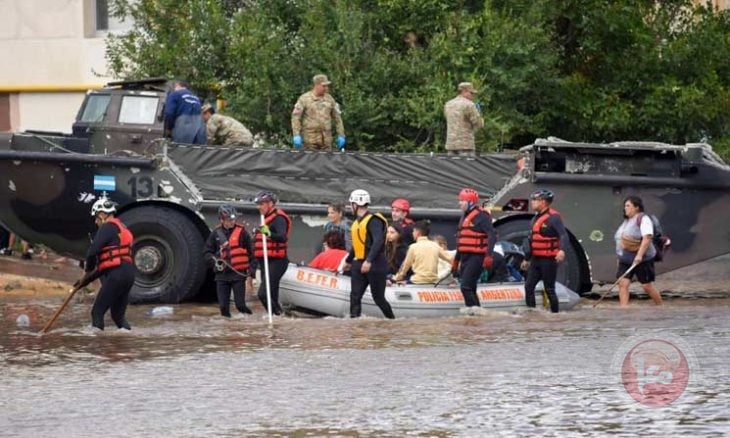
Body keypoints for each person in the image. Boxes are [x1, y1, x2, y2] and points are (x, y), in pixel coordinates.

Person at [84, 193, 135, 330]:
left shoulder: (107, 227)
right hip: (128, 275)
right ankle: (126, 343)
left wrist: (87, 269)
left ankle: (97, 346)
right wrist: (86, 281)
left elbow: (92, 251)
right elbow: (108, 265)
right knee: (118, 316)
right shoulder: (122, 228)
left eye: (96, 218)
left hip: (117, 275)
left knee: (97, 312)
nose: (96, 222)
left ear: (101, 214)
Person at [345, 189, 395, 319]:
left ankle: (392, 320)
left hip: (375, 264)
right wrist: (348, 261)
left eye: (351, 204)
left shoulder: (374, 220)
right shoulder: (356, 223)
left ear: (356, 204)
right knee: (355, 295)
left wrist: (369, 261)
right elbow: (357, 246)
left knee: (378, 298)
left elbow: (378, 242)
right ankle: (354, 322)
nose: (350, 207)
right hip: (359, 263)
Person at [520, 188, 570, 313]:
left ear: (543, 202)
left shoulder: (553, 218)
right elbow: (531, 240)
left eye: (535, 200)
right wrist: (527, 259)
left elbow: (563, 235)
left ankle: (555, 315)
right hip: (536, 259)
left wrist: (562, 250)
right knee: (528, 286)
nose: (532, 202)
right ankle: (532, 313)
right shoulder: (535, 219)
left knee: (549, 289)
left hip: (549, 260)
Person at [204, 205, 255, 317]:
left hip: (237, 275)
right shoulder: (215, 234)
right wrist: (214, 261)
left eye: (233, 219)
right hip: (221, 276)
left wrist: (251, 272)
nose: (232, 222)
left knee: (240, 305)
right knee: (223, 307)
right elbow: (207, 252)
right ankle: (227, 330)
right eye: (229, 220)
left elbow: (252, 253)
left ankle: (252, 321)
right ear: (222, 220)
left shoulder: (242, 233)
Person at [615, 196, 664, 307]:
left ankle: (660, 306)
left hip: (642, 258)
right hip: (626, 259)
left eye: (628, 206)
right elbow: (620, 240)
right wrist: (619, 257)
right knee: (623, 283)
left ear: (636, 207)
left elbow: (647, 238)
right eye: (625, 206)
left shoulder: (643, 219)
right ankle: (624, 309)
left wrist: (639, 255)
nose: (625, 208)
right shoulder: (626, 221)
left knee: (646, 285)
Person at [452, 188, 496, 308]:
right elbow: (461, 241)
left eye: (462, 200)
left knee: (465, 287)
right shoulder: (464, 217)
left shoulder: (482, 216)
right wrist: (456, 260)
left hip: (477, 257)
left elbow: (492, 235)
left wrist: (488, 255)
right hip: (465, 256)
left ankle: (473, 312)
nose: (459, 203)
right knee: (471, 287)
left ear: (470, 202)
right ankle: (476, 314)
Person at [253, 191, 291, 315]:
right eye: (258, 204)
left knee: (263, 294)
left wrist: (268, 233)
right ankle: (278, 321)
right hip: (265, 261)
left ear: (271, 204)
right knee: (272, 296)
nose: (259, 207)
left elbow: (282, 237)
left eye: (261, 204)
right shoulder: (264, 218)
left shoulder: (279, 218)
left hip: (277, 262)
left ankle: (278, 316)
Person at [291, 74, 346, 151]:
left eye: (327, 86)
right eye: (323, 86)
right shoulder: (304, 99)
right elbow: (296, 118)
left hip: (326, 142)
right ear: (316, 85)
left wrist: (341, 135)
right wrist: (296, 135)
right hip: (310, 142)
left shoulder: (329, 99)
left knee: (327, 162)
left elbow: (337, 118)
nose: (326, 88)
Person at [444, 82, 484, 156]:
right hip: (466, 145)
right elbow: (479, 124)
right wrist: (480, 114)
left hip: (451, 145)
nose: (473, 96)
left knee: (451, 167)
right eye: (471, 93)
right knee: (467, 167)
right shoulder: (469, 105)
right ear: (464, 91)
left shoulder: (448, 104)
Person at [163, 80, 206, 144]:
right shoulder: (195, 97)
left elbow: (169, 113)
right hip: (199, 127)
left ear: (177, 85)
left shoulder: (174, 94)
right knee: (195, 151)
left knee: (179, 150)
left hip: (183, 125)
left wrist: (169, 128)